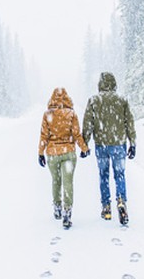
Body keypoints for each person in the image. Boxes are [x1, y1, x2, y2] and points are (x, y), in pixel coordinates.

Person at [82, 72, 136, 225]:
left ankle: (106, 207)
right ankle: (121, 201)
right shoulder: (122, 100)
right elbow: (129, 122)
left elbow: (88, 123)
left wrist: (85, 143)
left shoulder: (94, 100)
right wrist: (133, 142)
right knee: (119, 174)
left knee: (103, 175)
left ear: (100, 84)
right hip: (119, 143)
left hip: (101, 145)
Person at [38, 87, 90, 229]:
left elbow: (44, 135)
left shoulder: (47, 114)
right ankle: (67, 213)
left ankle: (57, 208)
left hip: (52, 153)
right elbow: (77, 134)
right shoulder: (71, 114)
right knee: (68, 183)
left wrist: (41, 153)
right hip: (68, 152)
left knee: (56, 181)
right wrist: (84, 148)